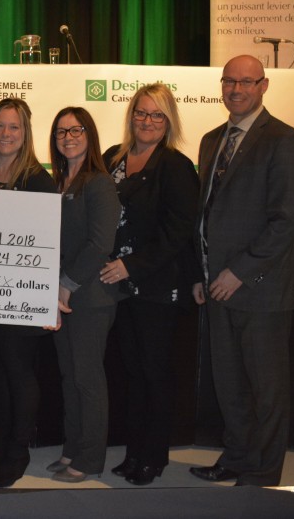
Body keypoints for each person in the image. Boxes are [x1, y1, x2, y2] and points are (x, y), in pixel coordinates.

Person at [189, 55, 294, 487]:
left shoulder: (285, 140)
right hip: (216, 287)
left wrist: (238, 272)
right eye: (229, 81)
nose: (236, 89)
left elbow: (288, 219)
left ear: (264, 85)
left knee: (266, 390)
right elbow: (204, 216)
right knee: (230, 385)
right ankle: (237, 457)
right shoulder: (210, 140)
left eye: (246, 82)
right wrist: (201, 274)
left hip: (261, 289)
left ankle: (262, 473)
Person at [99, 84, 199, 485]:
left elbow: (177, 233)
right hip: (116, 286)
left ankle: (153, 456)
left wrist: (132, 266)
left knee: (155, 373)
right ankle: (134, 451)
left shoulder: (175, 166)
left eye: (157, 115)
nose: (147, 121)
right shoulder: (112, 158)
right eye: (141, 113)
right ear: (131, 115)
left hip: (157, 286)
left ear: (169, 121)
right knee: (132, 373)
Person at [0, 98, 57, 488]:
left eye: (14, 128)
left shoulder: (38, 179)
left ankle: (18, 453)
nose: (5, 134)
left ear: (26, 134)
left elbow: (50, 240)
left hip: (21, 293)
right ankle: (0, 448)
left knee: (18, 374)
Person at [47, 107, 121, 483]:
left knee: (87, 380)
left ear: (90, 135)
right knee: (69, 376)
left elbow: (99, 244)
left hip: (89, 299)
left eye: (76, 130)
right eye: (61, 132)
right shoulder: (58, 181)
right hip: (61, 296)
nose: (69, 137)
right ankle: (72, 449)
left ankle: (90, 460)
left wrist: (66, 284)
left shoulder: (98, 182)